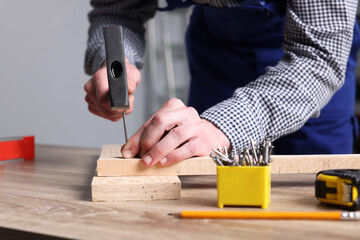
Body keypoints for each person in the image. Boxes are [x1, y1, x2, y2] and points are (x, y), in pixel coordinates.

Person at [84, 0, 360, 167]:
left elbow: (319, 56)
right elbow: (117, 10)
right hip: (215, 51)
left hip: (306, 70)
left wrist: (221, 126)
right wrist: (117, 61)